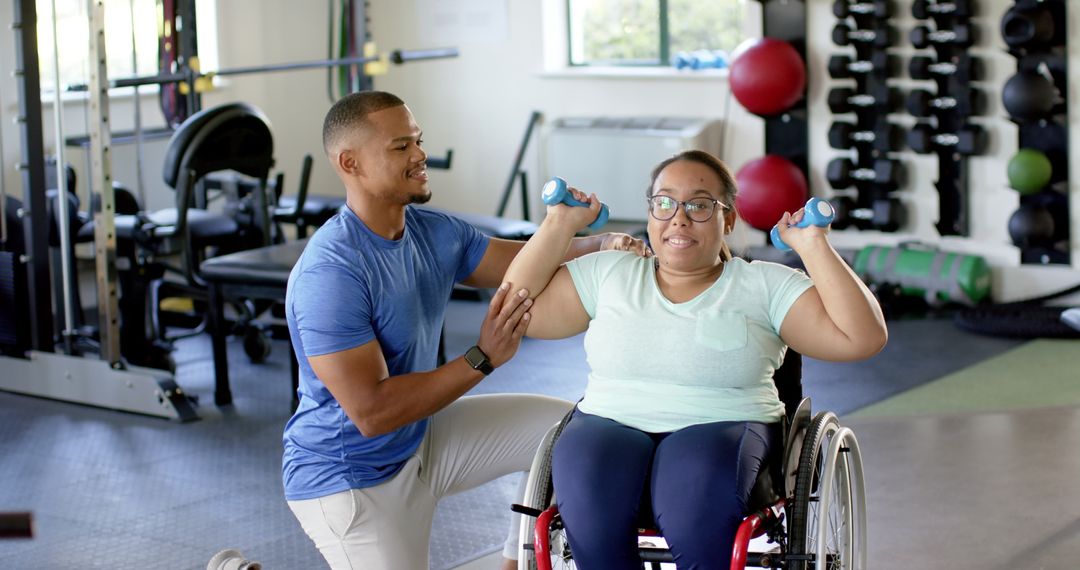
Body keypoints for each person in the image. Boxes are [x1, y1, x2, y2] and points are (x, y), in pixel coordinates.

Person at [281, 90, 647, 570]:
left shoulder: (431, 232)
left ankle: (517, 562)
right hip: (351, 478)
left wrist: (600, 240)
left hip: (419, 441)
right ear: (350, 163)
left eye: (418, 141)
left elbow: (521, 259)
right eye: (400, 147)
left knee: (562, 435)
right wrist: (483, 357)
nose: (419, 156)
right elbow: (372, 411)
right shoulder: (332, 273)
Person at [500, 149, 888, 569]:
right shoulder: (609, 273)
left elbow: (861, 338)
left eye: (699, 205)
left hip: (722, 424)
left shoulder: (764, 285)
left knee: (693, 495)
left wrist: (813, 246)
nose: (679, 218)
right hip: (608, 421)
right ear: (650, 213)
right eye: (664, 203)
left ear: (729, 220)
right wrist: (558, 224)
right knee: (590, 489)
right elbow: (517, 308)